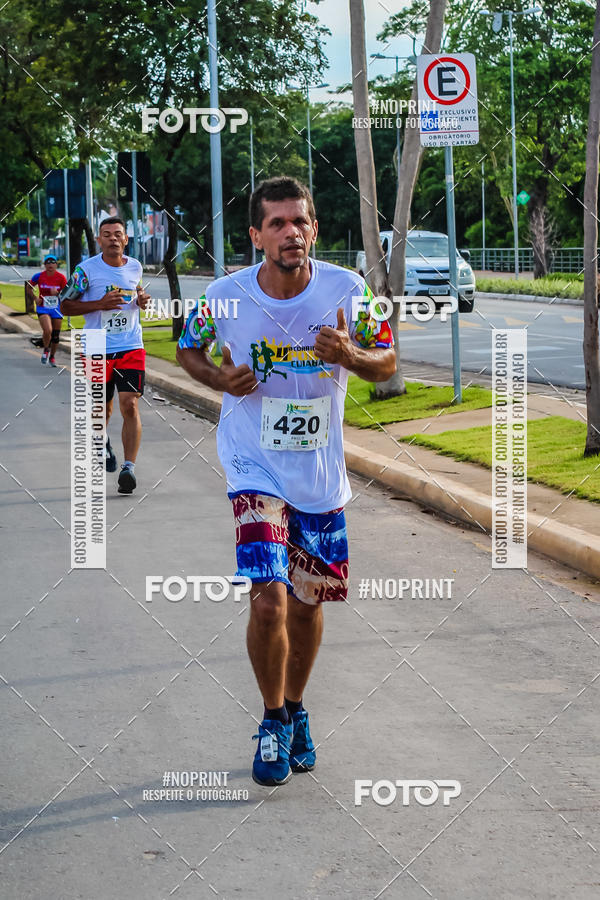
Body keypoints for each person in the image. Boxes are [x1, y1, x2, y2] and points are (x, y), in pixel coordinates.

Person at [176, 176, 395, 786]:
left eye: (300, 222)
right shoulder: (224, 296)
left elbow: (389, 361)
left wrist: (351, 355)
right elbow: (186, 349)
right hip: (254, 464)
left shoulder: (349, 291)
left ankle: (296, 709)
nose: (291, 233)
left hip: (319, 473)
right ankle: (272, 720)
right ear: (255, 235)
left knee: (308, 600)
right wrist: (218, 380)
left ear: (314, 229)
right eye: (277, 223)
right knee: (269, 596)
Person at [59, 217, 150, 493]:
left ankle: (129, 468)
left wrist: (141, 301)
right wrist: (99, 304)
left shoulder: (135, 267)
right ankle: (100, 441)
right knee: (102, 408)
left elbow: (135, 295)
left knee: (129, 405)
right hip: (97, 346)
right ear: (99, 240)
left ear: (125, 240)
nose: (112, 239)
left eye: (117, 234)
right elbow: (64, 305)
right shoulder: (85, 271)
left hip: (131, 345)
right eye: (106, 234)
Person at [28, 255, 67, 366]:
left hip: (56, 308)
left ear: (56, 265)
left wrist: (58, 294)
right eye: (48, 263)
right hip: (43, 307)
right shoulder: (39, 276)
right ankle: (46, 349)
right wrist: (35, 298)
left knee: (55, 335)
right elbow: (29, 287)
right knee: (48, 330)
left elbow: (66, 294)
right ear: (45, 265)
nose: (50, 265)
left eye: (53, 262)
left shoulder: (61, 278)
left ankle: (52, 357)